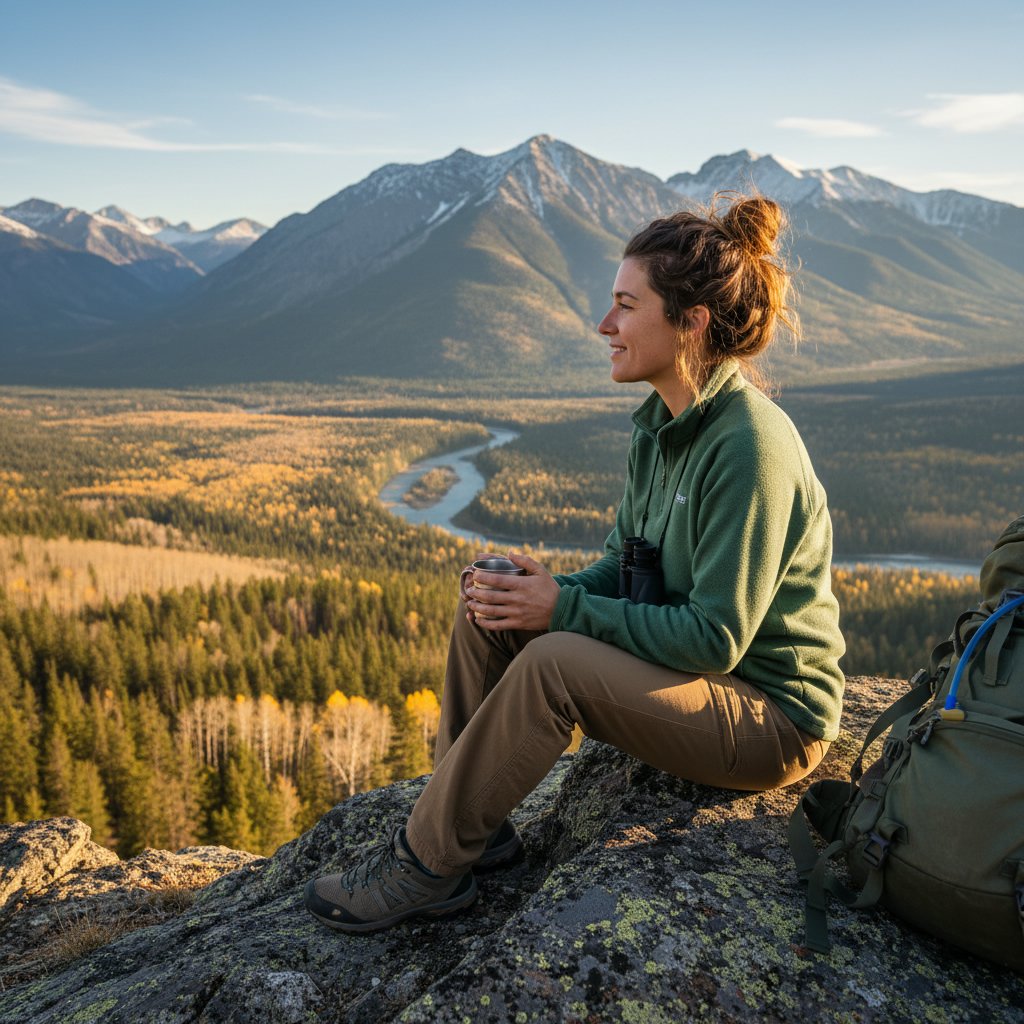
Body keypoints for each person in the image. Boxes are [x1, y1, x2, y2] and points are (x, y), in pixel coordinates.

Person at [304, 194, 846, 933]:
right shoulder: (660, 429)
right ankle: (474, 833)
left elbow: (716, 639)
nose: (605, 325)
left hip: (771, 717)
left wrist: (561, 612)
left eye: (626, 305)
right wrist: (541, 591)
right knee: (491, 613)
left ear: (691, 321)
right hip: (703, 683)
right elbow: (626, 574)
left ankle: (421, 867)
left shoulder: (750, 445)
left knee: (553, 660)